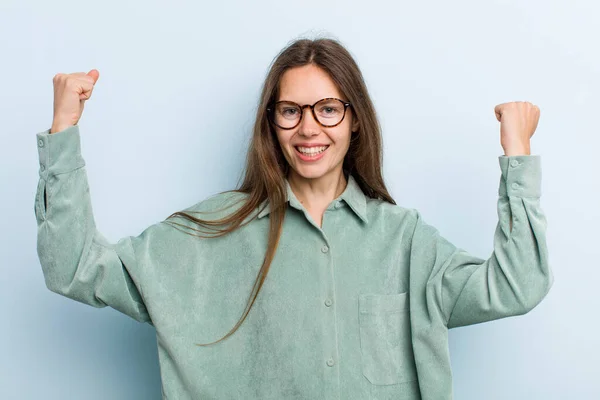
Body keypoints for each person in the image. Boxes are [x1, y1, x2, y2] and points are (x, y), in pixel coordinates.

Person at [34, 37, 554, 400]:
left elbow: (517, 286)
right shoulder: (210, 233)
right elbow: (75, 267)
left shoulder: (406, 241)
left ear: (355, 121)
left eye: (328, 108)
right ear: (271, 123)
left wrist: (517, 154)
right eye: (290, 111)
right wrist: (63, 132)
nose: (309, 128)